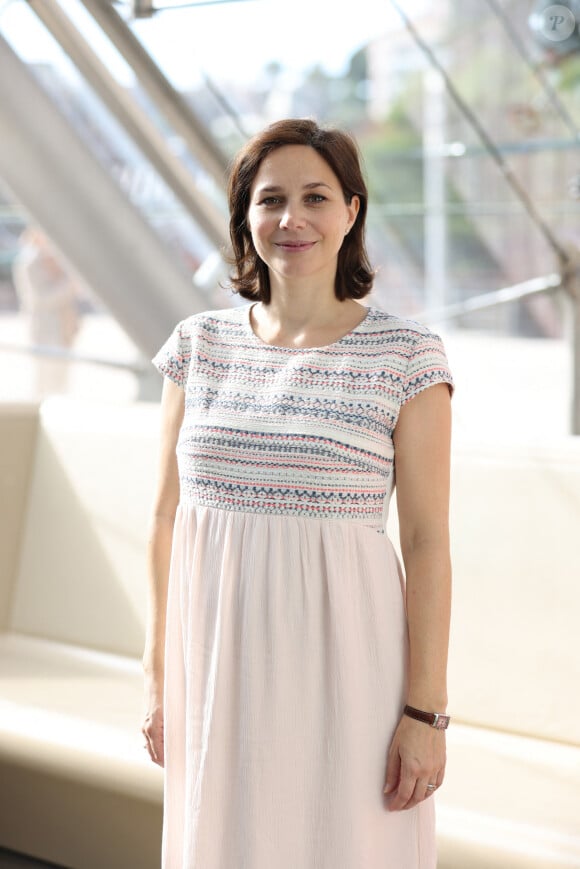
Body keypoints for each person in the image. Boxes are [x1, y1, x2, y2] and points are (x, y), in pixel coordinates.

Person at [143, 118, 453, 869]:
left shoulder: (407, 355)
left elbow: (427, 544)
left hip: (350, 670)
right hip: (215, 668)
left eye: (316, 196)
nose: (292, 218)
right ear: (245, 217)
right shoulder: (197, 345)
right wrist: (157, 675)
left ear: (352, 211)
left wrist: (425, 712)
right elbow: (163, 517)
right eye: (271, 198)